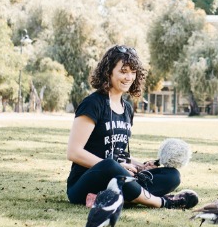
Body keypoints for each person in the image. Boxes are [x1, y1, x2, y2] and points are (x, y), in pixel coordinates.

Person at [66, 45, 198, 210]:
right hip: (85, 183)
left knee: (171, 175)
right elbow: (74, 152)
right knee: (109, 165)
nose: (129, 77)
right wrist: (118, 167)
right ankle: (161, 202)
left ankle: (108, 198)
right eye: (123, 71)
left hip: (118, 177)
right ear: (108, 72)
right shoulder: (93, 104)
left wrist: (140, 165)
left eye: (133, 72)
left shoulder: (127, 108)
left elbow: (118, 153)